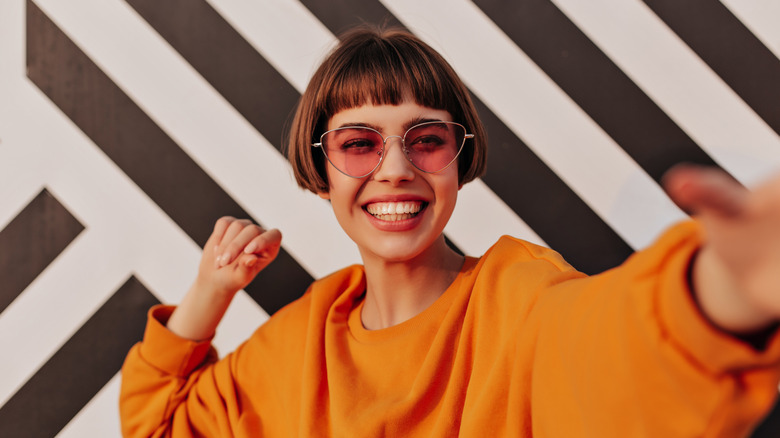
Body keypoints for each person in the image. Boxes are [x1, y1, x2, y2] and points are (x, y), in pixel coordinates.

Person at [119, 26, 780, 437]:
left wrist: (723, 289)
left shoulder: (517, 294)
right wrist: (209, 293)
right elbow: (157, 430)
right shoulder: (298, 344)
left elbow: (613, 357)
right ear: (320, 168)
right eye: (358, 144)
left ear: (459, 161)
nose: (396, 170)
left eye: (426, 140)